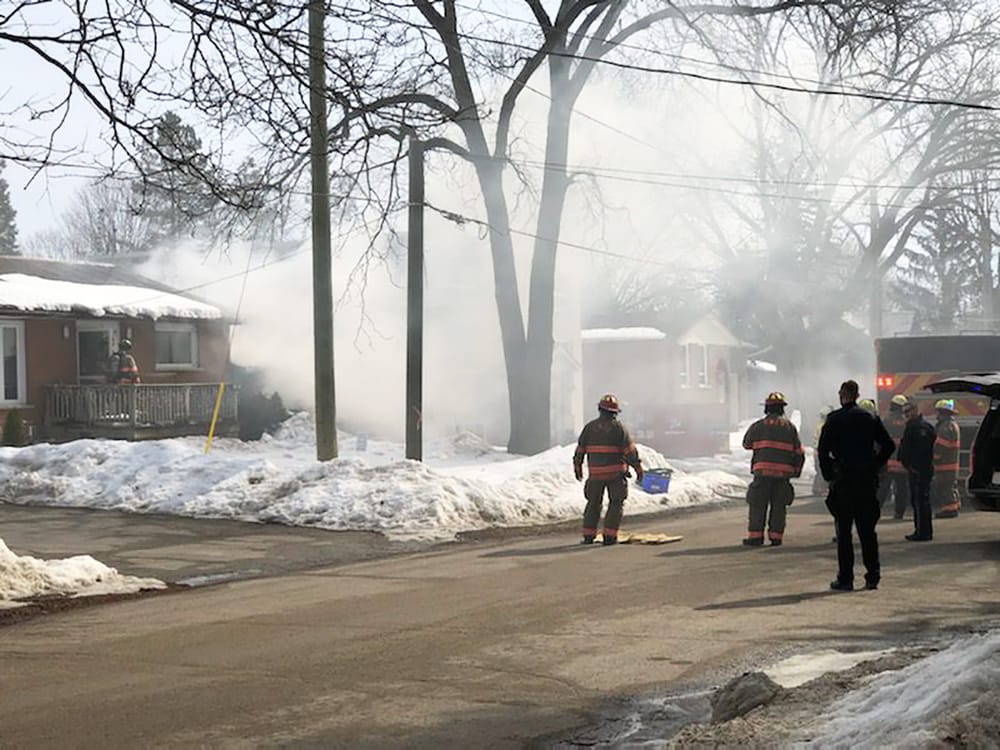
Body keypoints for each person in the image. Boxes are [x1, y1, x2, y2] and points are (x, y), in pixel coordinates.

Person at [817, 380, 894, 591]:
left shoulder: (834, 419)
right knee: (868, 532)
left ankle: (846, 579)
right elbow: (889, 445)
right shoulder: (870, 418)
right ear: (858, 394)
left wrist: (829, 474)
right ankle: (873, 576)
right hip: (867, 482)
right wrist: (875, 465)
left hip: (843, 482)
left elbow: (822, 451)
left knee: (844, 533)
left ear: (842, 395)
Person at [573, 393, 644, 546]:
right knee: (616, 504)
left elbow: (580, 450)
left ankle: (588, 535)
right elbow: (630, 451)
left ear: (600, 410)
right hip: (615, 475)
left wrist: (577, 467)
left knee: (593, 503)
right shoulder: (619, 429)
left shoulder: (589, 428)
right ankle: (610, 537)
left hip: (595, 475)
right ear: (614, 413)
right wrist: (638, 468)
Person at [741, 391, 805, 547]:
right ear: (782, 409)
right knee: (779, 507)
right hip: (783, 476)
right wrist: (795, 471)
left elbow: (746, 444)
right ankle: (776, 537)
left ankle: (755, 537)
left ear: (767, 409)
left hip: (762, 474)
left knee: (757, 505)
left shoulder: (758, 426)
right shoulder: (790, 428)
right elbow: (799, 453)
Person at [898, 399, 936, 542]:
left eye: (908, 411)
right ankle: (921, 530)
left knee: (921, 501)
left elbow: (921, 451)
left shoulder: (917, 427)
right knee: (918, 501)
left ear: (915, 410)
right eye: (904, 412)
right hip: (918, 469)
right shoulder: (922, 426)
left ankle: (923, 532)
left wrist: (913, 466)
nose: (906, 415)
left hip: (919, 470)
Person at [880, 395, 911, 520]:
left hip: (888, 461)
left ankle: (876, 512)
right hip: (902, 461)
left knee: (882, 489)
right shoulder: (907, 421)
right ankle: (899, 513)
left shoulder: (886, 420)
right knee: (902, 489)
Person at [932, 399, 961, 519]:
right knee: (950, 486)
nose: (937, 415)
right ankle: (955, 506)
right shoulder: (950, 425)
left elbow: (941, 446)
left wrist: (934, 457)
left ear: (942, 412)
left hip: (945, 464)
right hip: (950, 463)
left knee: (944, 487)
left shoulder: (946, 427)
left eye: (938, 412)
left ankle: (949, 510)